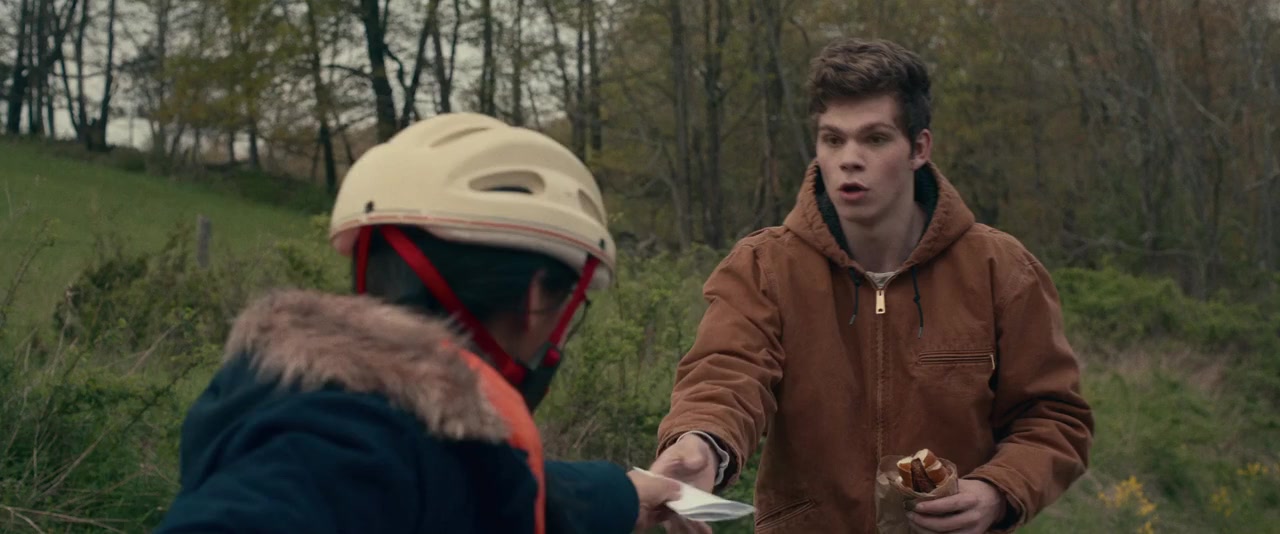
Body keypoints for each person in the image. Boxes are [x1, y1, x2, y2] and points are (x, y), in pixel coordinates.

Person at [154, 112, 687, 533]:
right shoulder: (341, 445)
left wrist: (623, 495)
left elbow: (481, 484)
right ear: (534, 299)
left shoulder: (319, 407)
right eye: (568, 300)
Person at [649, 37, 1095, 533]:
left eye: (875, 139)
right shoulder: (764, 268)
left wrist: (998, 490)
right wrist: (701, 442)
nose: (849, 159)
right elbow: (725, 373)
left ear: (918, 148)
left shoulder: (1000, 271)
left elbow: (1054, 418)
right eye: (833, 140)